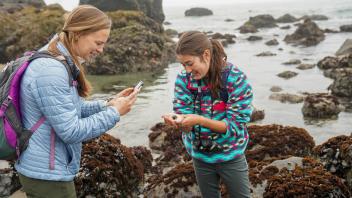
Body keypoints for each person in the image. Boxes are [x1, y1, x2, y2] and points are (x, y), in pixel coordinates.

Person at [15, 5, 138, 198]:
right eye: (98, 42)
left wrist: (108, 104)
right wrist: (115, 114)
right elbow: (71, 131)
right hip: (47, 175)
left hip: (46, 168)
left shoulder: (57, 57)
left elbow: (73, 108)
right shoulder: (51, 70)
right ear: (78, 33)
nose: (101, 49)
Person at [163, 31, 253, 198]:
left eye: (190, 63)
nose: (188, 70)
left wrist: (200, 120)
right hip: (200, 156)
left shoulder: (235, 79)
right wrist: (181, 123)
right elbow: (185, 118)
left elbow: (234, 127)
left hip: (230, 155)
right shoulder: (184, 80)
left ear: (206, 54)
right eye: (183, 65)